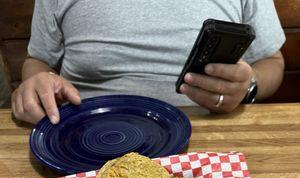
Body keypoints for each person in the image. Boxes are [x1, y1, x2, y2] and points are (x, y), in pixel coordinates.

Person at [12, 0, 285, 125]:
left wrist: (247, 86)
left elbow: (272, 61)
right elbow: (38, 60)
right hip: (86, 138)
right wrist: (35, 82)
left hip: (211, 138)